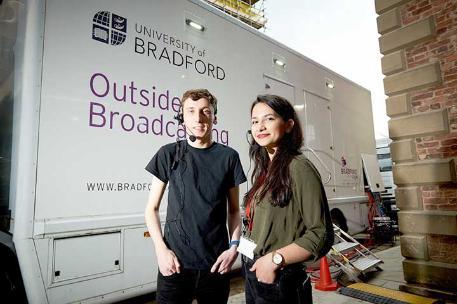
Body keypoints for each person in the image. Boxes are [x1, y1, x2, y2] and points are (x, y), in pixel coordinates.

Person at [144, 89, 246, 304]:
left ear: (214, 117)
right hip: (175, 266)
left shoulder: (229, 157)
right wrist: (161, 251)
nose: (198, 118)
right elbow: (151, 209)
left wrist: (234, 248)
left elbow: (235, 210)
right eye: (191, 111)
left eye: (205, 111)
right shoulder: (168, 153)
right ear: (182, 117)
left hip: (216, 266)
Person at [241, 94, 333, 304]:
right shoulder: (266, 169)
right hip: (254, 271)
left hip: (281, 278)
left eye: (269, 119)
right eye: (255, 121)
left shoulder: (299, 167)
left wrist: (275, 259)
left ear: (289, 125)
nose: (260, 126)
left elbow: (321, 234)